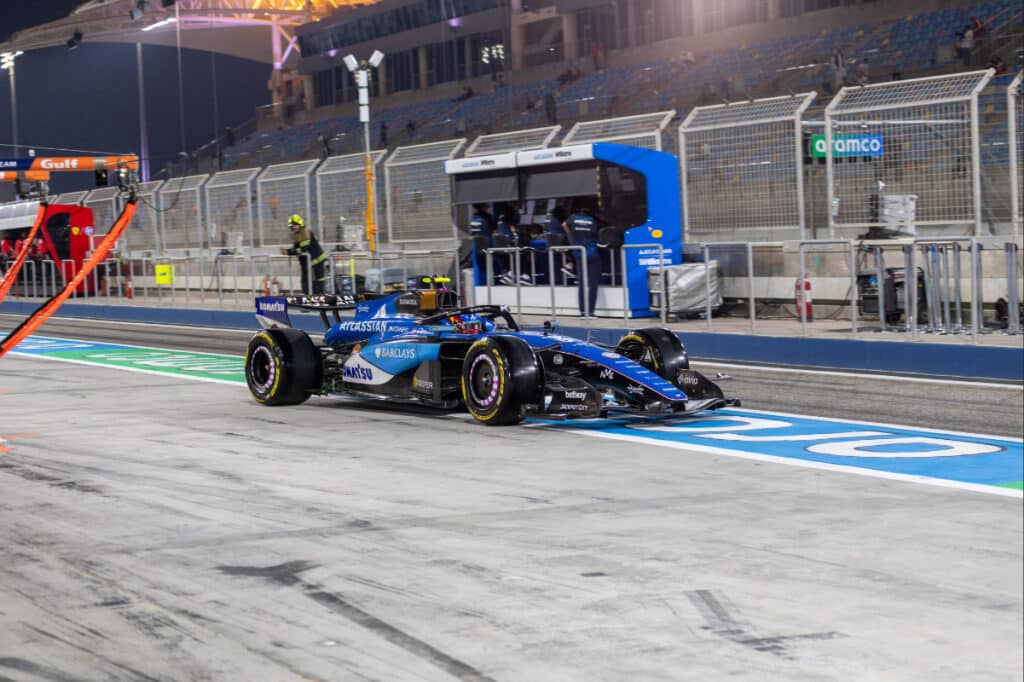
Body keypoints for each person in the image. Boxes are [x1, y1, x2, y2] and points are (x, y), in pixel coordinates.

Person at [563, 200, 602, 318]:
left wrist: (571, 238)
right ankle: (590, 312)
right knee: (593, 284)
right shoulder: (592, 220)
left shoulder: (573, 218)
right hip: (593, 253)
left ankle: (582, 312)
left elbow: (564, 225)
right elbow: (596, 234)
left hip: (579, 253)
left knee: (581, 284)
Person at [281, 214, 327, 295]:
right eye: (292, 226)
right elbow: (296, 248)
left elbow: (303, 249)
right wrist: (287, 251)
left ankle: (319, 298)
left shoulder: (305, 233)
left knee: (317, 282)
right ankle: (309, 299)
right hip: (307, 264)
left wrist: (288, 252)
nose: (293, 227)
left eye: (294, 225)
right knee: (305, 283)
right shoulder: (296, 235)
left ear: (299, 224)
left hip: (316, 262)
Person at [469, 203, 497, 282]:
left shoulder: (474, 217)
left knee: (480, 264)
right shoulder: (488, 217)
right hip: (488, 242)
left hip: (477, 244)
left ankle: (482, 280)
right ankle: (492, 280)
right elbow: (493, 229)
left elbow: (472, 232)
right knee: (491, 262)